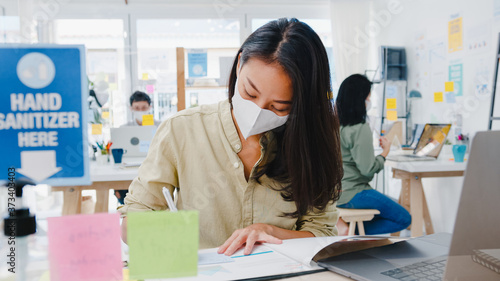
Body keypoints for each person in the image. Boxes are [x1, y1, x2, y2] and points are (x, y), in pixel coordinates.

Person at [118, 18, 344, 255]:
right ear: (239, 64)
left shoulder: (313, 143)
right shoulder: (182, 130)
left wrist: (270, 231)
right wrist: (167, 235)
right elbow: (132, 222)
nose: (258, 111)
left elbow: (322, 233)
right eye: (249, 92)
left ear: (302, 104)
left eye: (278, 106)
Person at [334, 74, 411, 235]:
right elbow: (367, 170)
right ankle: (353, 233)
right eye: (369, 96)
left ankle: (350, 230)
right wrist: (384, 153)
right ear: (361, 99)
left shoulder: (334, 126)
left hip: (336, 193)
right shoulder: (360, 129)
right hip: (354, 192)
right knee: (404, 218)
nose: (370, 100)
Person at [115, 91, 160, 204]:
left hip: (153, 167)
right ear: (131, 109)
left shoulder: (159, 126)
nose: (140, 111)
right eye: (137, 108)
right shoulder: (124, 129)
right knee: (124, 191)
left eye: (144, 108)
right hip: (129, 167)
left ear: (150, 107)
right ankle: (129, 214)